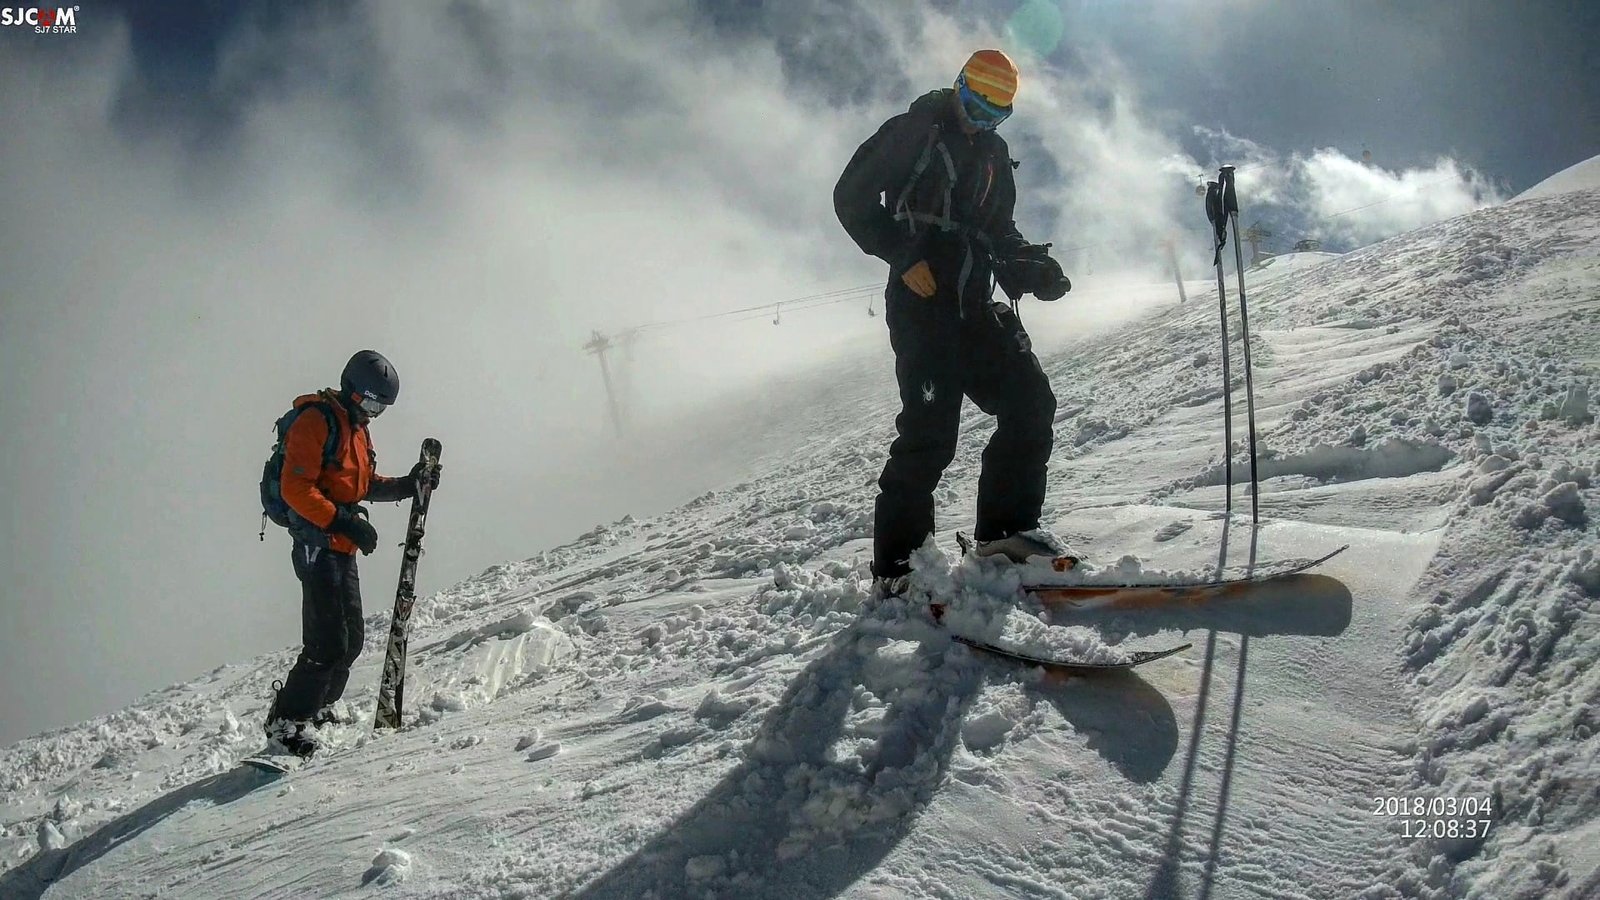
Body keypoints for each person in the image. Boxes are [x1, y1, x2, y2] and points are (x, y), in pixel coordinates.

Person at [834, 49, 1075, 596]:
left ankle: (1005, 534)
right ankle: (899, 569)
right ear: (959, 85)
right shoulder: (913, 131)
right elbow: (851, 196)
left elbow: (999, 232)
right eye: (976, 104)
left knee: (1030, 402)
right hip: (923, 305)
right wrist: (903, 254)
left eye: (997, 114)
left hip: (974, 307)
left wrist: (1030, 268)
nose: (983, 120)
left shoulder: (994, 155)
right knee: (930, 434)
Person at [263, 350, 441, 756]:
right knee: (326, 643)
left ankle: (319, 706)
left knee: (351, 641)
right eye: (372, 402)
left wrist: (404, 485)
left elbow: (358, 484)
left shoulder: (356, 428)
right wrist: (343, 522)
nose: (375, 413)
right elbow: (296, 489)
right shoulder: (316, 421)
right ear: (352, 390)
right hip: (316, 543)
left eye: (382, 406)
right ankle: (286, 723)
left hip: (341, 546)